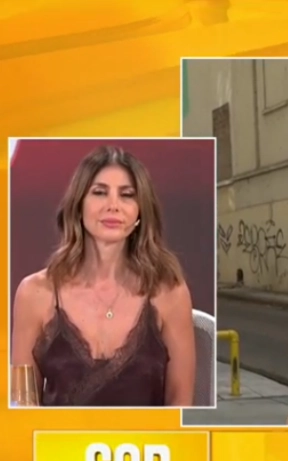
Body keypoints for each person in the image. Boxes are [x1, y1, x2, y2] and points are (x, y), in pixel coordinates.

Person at [10, 146, 196, 407]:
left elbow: (180, 403)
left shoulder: (170, 292)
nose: (113, 206)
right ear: (78, 206)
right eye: (99, 192)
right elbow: (23, 403)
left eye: (127, 195)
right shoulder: (34, 293)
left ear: (140, 213)